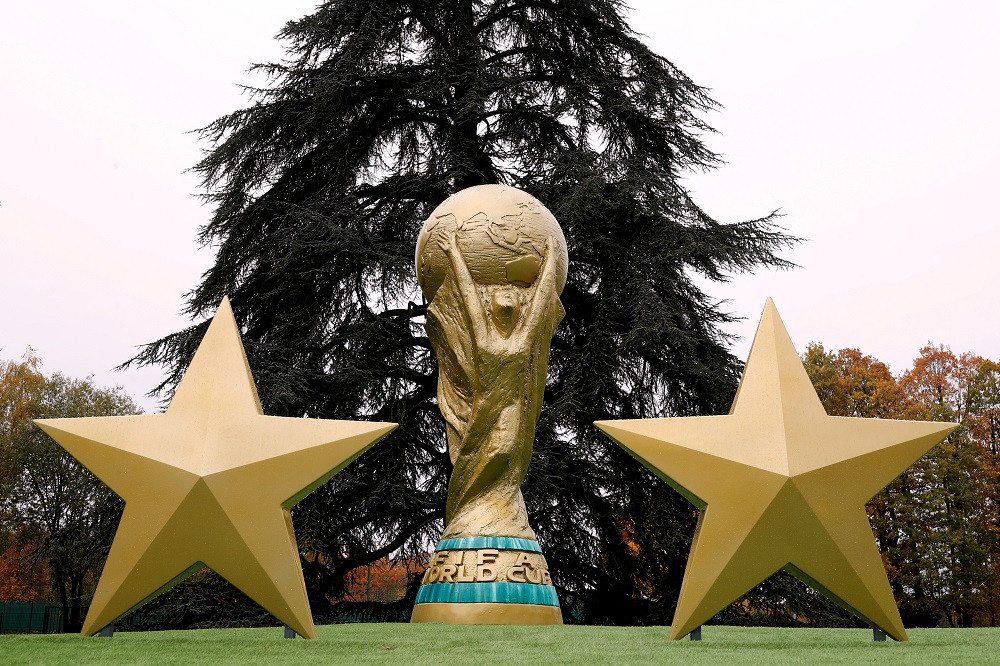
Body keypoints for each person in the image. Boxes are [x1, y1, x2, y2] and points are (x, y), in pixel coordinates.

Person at [425, 229, 565, 539]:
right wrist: (453, 253)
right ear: (492, 310)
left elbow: (541, 302)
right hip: (481, 412)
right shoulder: (483, 337)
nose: (507, 303)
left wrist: (551, 263)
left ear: (516, 311)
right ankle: (474, 518)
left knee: (502, 454)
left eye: (512, 302)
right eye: (501, 302)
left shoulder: (522, 339)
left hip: (510, 412)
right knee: (474, 463)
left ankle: (499, 516)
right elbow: (468, 295)